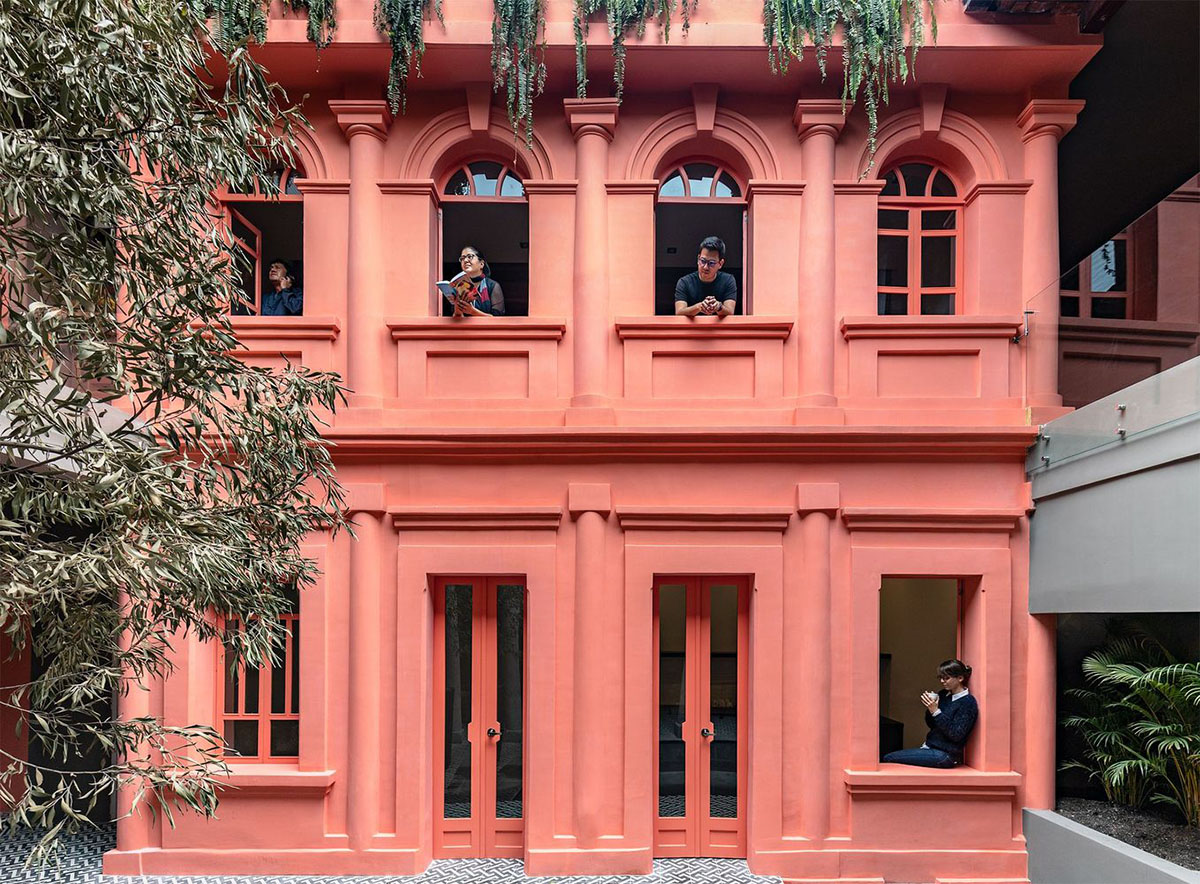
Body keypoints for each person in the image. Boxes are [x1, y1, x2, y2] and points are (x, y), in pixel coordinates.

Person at [882, 659, 978, 768]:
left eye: (947, 678)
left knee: (888, 758)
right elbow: (932, 725)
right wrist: (930, 707)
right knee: (892, 758)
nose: (942, 681)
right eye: (941, 678)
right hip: (930, 748)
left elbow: (956, 735)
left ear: (960, 678)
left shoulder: (968, 702)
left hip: (946, 755)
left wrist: (936, 711)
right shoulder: (943, 694)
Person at [674, 235, 738, 317]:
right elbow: (679, 313)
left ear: (720, 264)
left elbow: (730, 312)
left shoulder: (728, 280)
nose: (705, 267)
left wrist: (718, 306)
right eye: (703, 261)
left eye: (711, 263)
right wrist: (699, 307)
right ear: (698, 259)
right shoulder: (684, 282)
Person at [449, 246, 505, 317]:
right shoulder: (459, 287)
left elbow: (498, 319)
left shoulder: (492, 286)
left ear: (481, 264)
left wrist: (473, 311)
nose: (465, 260)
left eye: (470, 256)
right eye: (462, 258)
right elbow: (456, 318)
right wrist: (458, 309)